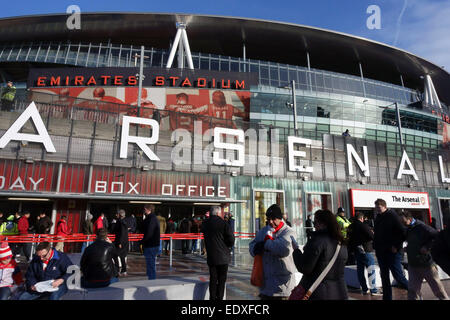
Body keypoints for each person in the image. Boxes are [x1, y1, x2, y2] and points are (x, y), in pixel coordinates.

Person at [293, 209, 349, 300]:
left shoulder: (317, 240)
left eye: (315, 223)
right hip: (340, 291)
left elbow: (304, 267)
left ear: (323, 224)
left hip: (318, 292)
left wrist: (296, 250)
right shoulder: (341, 242)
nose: (314, 226)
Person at [249, 204, 298, 300]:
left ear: (280, 218)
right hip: (265, 287)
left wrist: (266, 243)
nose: (270, 222)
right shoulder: (264, 231)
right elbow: (252, 245)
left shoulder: (289, 232)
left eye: (273, 219)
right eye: (268, 219)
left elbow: (283, 250)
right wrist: (255, 248)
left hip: (282, 287)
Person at [399, 211, 448, 300]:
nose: (403, 224)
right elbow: (413, 241)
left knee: (437, 289)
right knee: (413, 290)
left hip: (426, 264)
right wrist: (408, 248)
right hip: (413, 264)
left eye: (404, 221)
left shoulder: (422, 226)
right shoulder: (408, 228)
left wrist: (427, 247)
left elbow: (437, 236)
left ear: (409, 219)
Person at [373, 198, 409, 300]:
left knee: (398, 275)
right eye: (376, 208)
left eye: (379, 207)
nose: (377, 209)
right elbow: (377, 234)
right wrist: (375, 247)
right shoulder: (378, 218)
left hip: (392, 251)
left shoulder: (392, 216)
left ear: (384, 206)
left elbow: (403, 232)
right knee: (384, 276)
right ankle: (387, 298)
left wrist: (396, 246)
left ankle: (413, 291)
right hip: (381, 251)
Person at [201, 206, 235, 300]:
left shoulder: (205, 224)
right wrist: (228, 246)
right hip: (223, 256)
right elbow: (231, 238)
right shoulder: (224, 223)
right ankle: (219, 297)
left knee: (213, 278)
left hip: (211, 255)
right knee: (222, 279)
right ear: (218, 213)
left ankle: (212, 298)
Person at [347, 212, 380, 295]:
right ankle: (373, 290)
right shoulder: (363, 225)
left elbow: (349, 239)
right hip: (366, 250)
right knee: (370, 269)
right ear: (361, 218)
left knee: (360, 270)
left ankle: (364, 289)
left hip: (356, 250)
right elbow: (371, 236)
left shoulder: (350, 227)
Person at [140, 204, 160, 280]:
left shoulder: (151, 219)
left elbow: (149, 232)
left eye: (145, 209)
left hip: (151, 244)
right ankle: (151, 279)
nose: (144, 211)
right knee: (150, 264)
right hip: (152, 244)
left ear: (149, 210)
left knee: (150, 264)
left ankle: (151, 280)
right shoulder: (151, 218)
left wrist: (143, 241)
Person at [113, 209, 129, 276]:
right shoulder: (125, 221)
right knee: (122, 256)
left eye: (117, 214)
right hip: (125, 241)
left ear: (119, 215)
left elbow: (120, 232)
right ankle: (124, 270)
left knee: (115, 255)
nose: (116, 215)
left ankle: (117, 270)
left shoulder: (120, 222)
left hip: (120, 241)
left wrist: (120, 242)